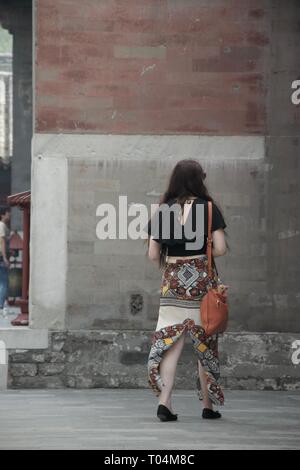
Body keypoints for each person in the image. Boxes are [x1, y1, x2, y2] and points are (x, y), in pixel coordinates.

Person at [144, 159, 228, 422]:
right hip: (202, 283)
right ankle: (208, 406)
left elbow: (152, 253)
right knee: (205, 342)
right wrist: (200, 254)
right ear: (198, 180)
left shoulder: (164, 210)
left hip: (172, 282)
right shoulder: (209, 209)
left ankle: (164, 402)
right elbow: (221, 249)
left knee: (171, 343)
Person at [0, 206, 11, 316]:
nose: (9, 215)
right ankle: (1, 306)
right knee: (4, 283)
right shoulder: (2, 225)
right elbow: (2, 242)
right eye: (8, 213)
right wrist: (4, 257)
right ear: (3, 214)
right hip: (1, 258)